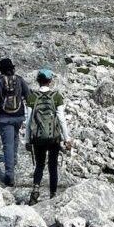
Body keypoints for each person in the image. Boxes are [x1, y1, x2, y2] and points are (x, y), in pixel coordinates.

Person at [25, 69, 71, 202]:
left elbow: (28, 121)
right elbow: (61, 119)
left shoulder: (32, 97)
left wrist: (27, 140)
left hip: (37, 138)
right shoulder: (57, 96)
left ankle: (35, 190)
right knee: (53, 166)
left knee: (39, 165)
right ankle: (53, 194)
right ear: (50, 81)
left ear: (38, 80)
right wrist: (67, 138)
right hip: (54, 138)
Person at [0, 58, 31, 187]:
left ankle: (9, 175)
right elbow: (28, 96)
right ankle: (14, 161)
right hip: (19, 116)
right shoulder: (20, 80)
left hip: (4, 118)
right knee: (15, 138)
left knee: (8, 145)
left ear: (1, 69)